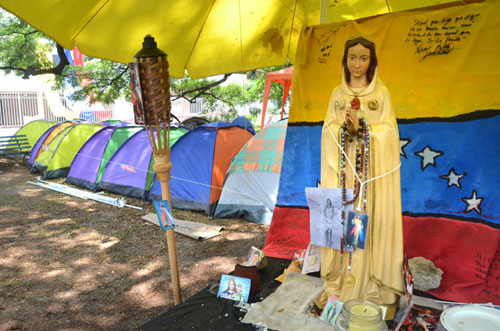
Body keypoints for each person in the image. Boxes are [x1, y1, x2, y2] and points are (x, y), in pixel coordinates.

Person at [318, 35, 404, 309]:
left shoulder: (381, 94)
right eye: (352, 58)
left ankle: (369, 282)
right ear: (345, 61)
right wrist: (344, 130)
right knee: (345, 219)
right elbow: (327, 130)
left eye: (363, 58)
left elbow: (390, 132)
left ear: (372, 62)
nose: (357, 64)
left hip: (371, 181)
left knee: (364, 220)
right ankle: (341, 280)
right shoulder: (337, 95)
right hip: (344, 175)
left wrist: (365, 131)